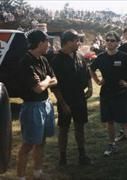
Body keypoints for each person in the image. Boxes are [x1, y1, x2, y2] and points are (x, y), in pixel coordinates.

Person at [90, 31, 127, 161]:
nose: (109, 42)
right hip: (106, 94)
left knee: (126, 123)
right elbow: (91, 68)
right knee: (110, 122)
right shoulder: (101, 57)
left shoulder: (124, 56)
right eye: (107, 40)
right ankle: (112, 145)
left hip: (121, 94)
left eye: (112, 40)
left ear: (118, 42)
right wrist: (97, 81)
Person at [17, 30, 57, 180]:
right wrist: (47, 80)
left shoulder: (43, 59)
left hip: (46, 104)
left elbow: (55, 79)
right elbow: (38, 88)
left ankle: (37, 172)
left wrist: (45, 81)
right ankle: (21, 177)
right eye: (47, 42)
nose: (49, 45)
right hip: (32, 107)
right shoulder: (25, 62)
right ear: (40, 43)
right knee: (28, 144)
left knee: (41, 141)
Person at [51, 29, 93, 166]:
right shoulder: (56, 60)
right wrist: (62, 104)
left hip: (80, 97)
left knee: (80, 126)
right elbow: (55, 86)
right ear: (68, 42)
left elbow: (87, 72)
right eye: (77, 41)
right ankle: (62, 158)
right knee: (63, 129)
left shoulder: (79, 55)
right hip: (65, 99)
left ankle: (82, 155)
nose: (79, 43)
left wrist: (90, 87)